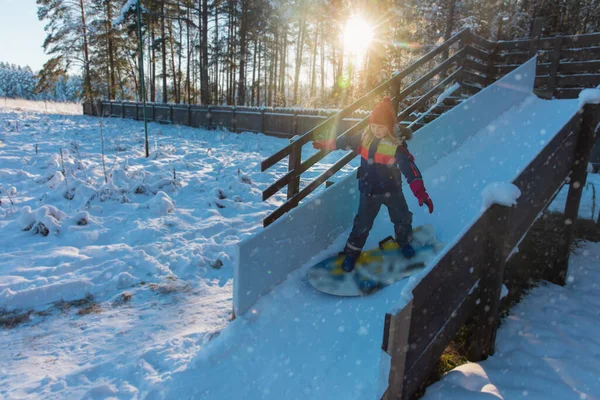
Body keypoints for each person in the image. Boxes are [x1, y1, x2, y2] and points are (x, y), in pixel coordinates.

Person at [312, 96, 434, 272]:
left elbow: (410, 170)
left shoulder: (396, 146)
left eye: (381, 127)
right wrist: (327, 144)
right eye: (374, 126)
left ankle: (404, 242)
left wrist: (421, 193)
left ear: (390, 127)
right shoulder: (363, 138)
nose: (377, 130)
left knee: (402, 218)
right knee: (362, 224)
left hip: (392, 191)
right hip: (368, 191)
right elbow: (344, 141)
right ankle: (351, 253)